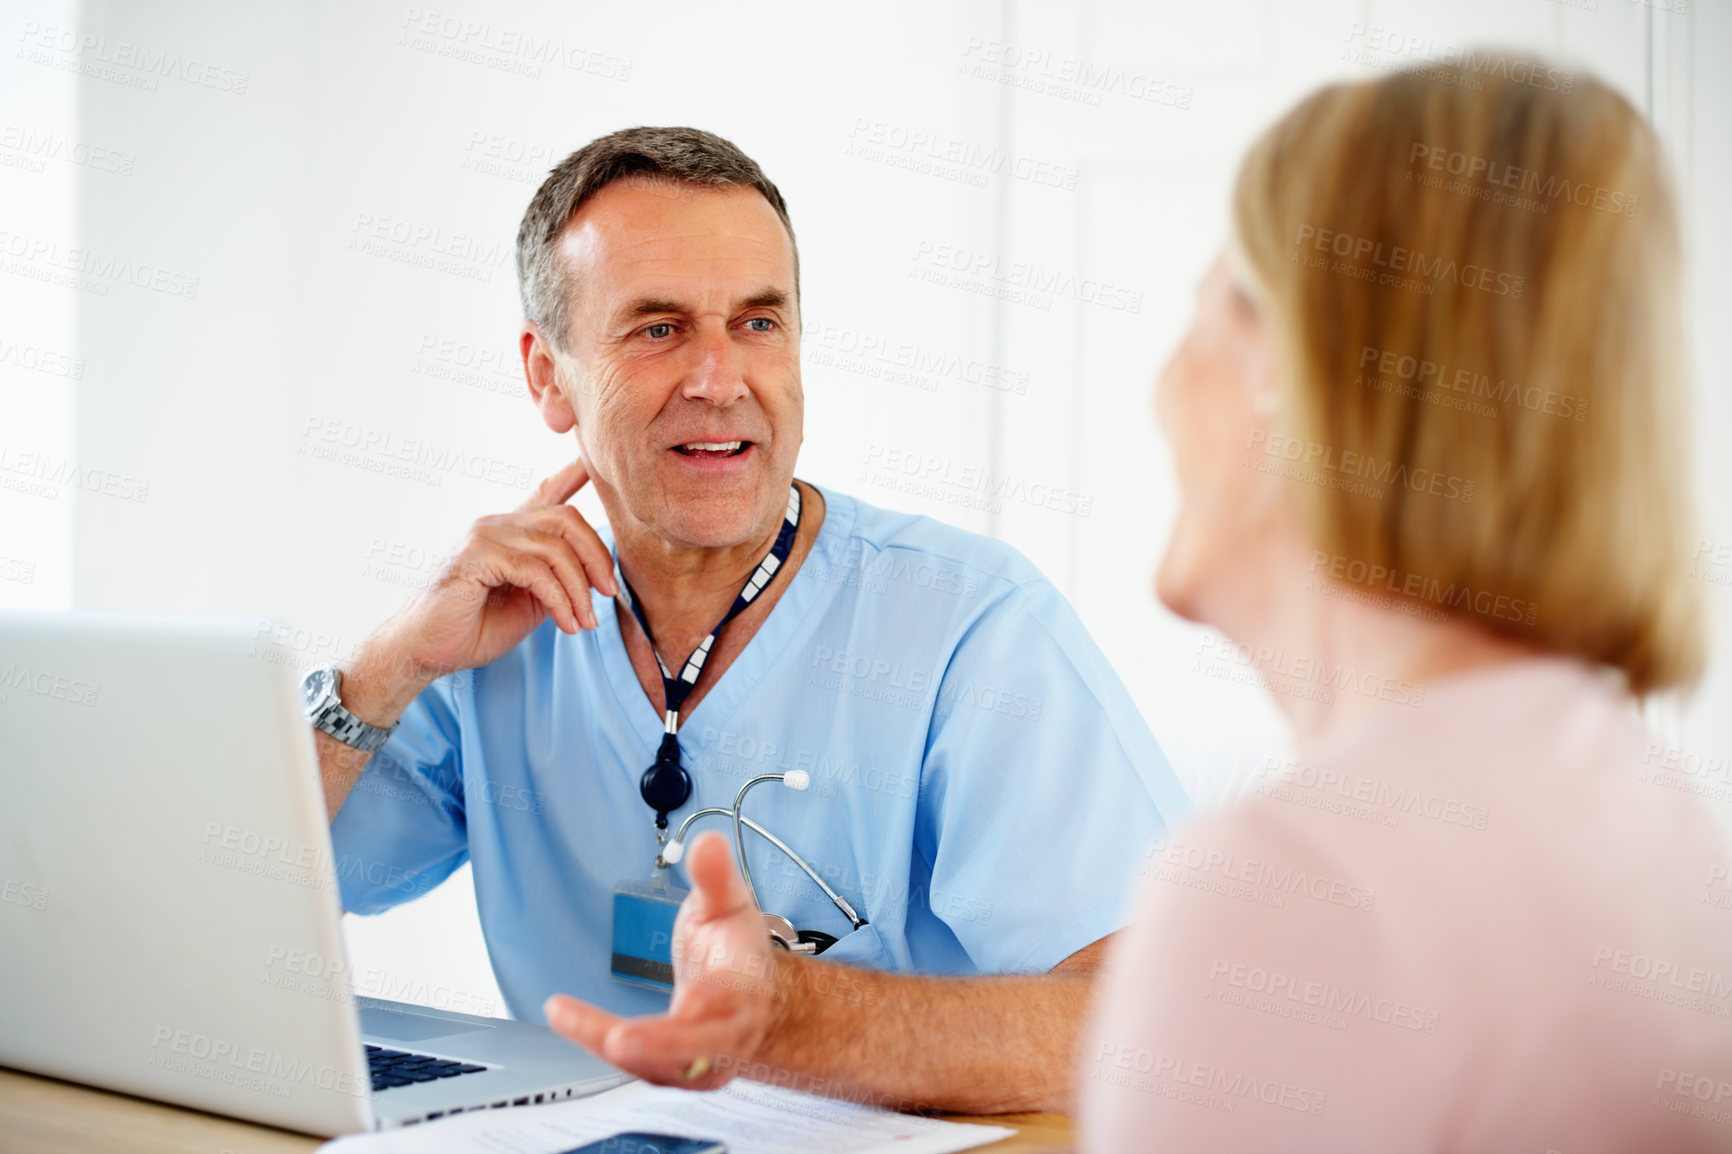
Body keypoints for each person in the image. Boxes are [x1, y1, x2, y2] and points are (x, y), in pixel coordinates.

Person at [308, 126, 1191, 1114]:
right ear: (547, 375)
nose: (719, 378)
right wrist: (385, 668)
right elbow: (256, 871)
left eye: (759, 323)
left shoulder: (969, 627)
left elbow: (1148, 1024)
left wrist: (792, 1016)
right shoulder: (495, 630)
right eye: (657, 328)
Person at [1079, 60, 1732, 1150]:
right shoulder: (1656, 822)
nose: (1160, 390)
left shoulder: (1290, 896)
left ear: (1296, 369)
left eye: (1204, 315)